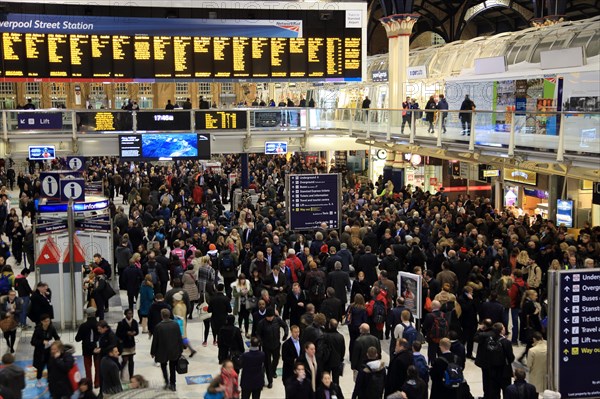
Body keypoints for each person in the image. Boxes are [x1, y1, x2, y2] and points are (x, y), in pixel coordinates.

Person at [151, 308, 184, 391]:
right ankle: (173, 384)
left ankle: (166, 381)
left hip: (162, 350)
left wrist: (153, 352)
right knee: (172, 367)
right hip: (174, 349)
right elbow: (179, 337)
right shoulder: (175, 324)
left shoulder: (158, 326)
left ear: (161, 316)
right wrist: (181, 349)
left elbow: (155, 340)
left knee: (163, 366)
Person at [256, 306, 289, 388]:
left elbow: (285, 326)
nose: (270, 318)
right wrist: (260, 342)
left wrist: (286, 334)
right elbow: (258, 334)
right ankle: (270, 380)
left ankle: (273, 370)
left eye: (271, 317)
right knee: (267, 364)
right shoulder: (261, 323)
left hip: (276, 345)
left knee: (276, 360)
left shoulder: (277, 320)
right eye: (268, 317)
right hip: (266, 346)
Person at [31, 313, 60, 387]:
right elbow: (33, 341)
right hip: (40, 352)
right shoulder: (38, 330)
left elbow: (57, 338)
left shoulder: (51, 328)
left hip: (49, 351)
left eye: (48, 321)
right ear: (42, 321)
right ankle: (39, 380)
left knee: (50, 366)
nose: (47, 323)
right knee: (40, 367)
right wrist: (42, 342)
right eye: (46, 321)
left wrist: (55, 344)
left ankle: (50, 380)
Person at [75, 307, 100, 388]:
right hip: (97, 348)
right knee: (98, 367)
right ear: (95, 314)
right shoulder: (99, 325)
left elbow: (77, 339)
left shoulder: (83, 326)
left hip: (86, 348)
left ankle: (89, 384)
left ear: (87, 315)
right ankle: (97, 383)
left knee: (88, 367)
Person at [116, 309, 139, 380]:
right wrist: (126, 333)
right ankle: (120, 371)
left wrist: (134, 333)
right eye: (128, 313)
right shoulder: (121, 323)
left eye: (131, 313)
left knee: (131, 360)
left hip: (131, 344)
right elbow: (117, 334)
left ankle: (131, 376)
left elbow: (137, 331)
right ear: (125, 314)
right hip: (124, 344)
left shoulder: (134, 322)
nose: (130, 315)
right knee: (125, 360)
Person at [232, 273, 253, 337]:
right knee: (240, 317)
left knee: (246, 319)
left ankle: (246, 331)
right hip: (239, 305)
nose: (242, 281)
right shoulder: (236, 286)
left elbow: (251, 292)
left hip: (246, 304)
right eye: (241, 279)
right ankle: (240, 328)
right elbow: (234, 294)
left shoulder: (248, 284)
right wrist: (241, 293)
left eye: (243, 279)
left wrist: (247, 292)